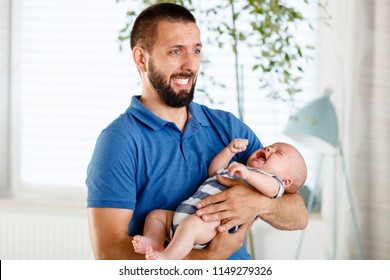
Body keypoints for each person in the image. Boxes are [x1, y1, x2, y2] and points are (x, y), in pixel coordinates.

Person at [86, 2, 308, 260]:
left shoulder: (226, 127)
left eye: (196, 50)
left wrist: (260, 203)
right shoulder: (119, 142)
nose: (190, 64)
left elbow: (298, 214)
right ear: (141, 58)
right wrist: (208, 259)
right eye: (176, 51)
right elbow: (108, 251)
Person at [132, 139, 307, 260]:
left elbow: (273, 190)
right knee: (156, 216)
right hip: (185, 214)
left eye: (278, 153)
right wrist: (229, 151)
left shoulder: (271, 183)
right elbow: (214, 171)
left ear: (286, 181)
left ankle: (168, 258)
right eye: (270, 146)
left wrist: (248, 175)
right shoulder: (238, 169)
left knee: (189, 227)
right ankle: (154, 242)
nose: (269, 148)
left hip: (208, 225)